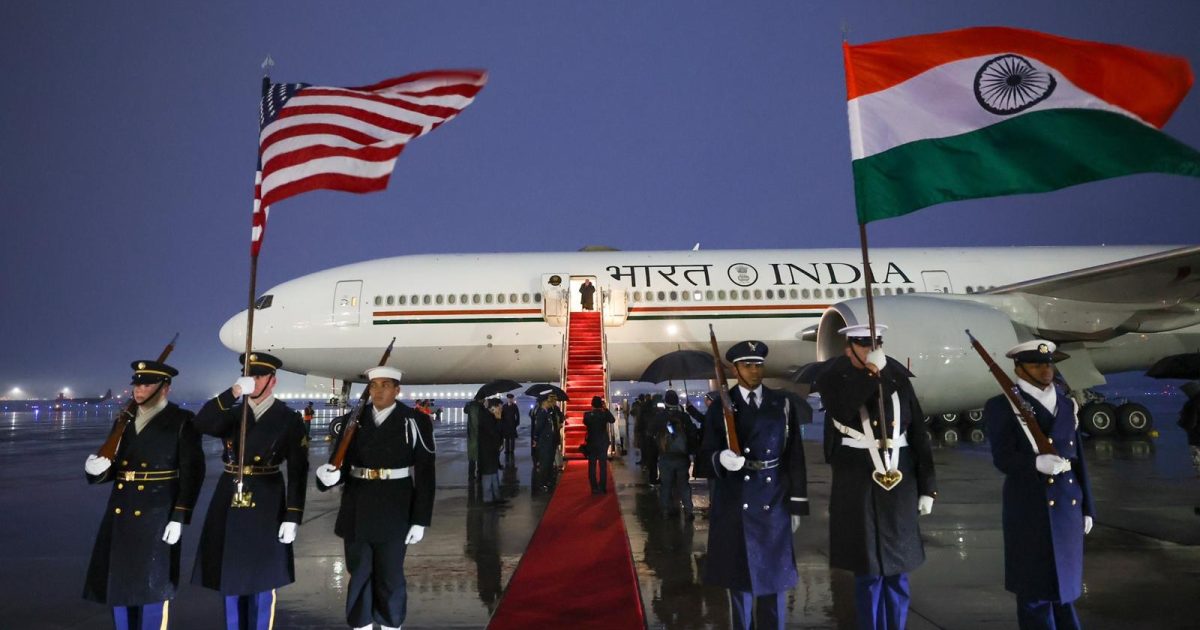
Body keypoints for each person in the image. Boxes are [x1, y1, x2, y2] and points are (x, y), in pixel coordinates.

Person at [816, 324, 936, 630]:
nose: (872, 348)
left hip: (900, 483)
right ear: (849, 348)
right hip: (859, 484)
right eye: (865, 344)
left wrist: (927, 488)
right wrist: (870, 374)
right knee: (868, 573)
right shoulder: (834, 378)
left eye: (877, 343)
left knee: (898, 571)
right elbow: (842, 410)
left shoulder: (896, 376)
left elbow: (918, 433)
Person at [83, 360, 205, 630]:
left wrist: (180, 514)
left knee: (153, 587)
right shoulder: (123, 420)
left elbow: (193, 471)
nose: (139, 390)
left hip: (157, 512)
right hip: (121, 511)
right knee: (119, 585)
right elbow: (113, 464)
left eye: (147, 384)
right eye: (137, 384)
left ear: (165, 388)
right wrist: (96, 471)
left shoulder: (182, 421)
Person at [192, 352, 309, 630]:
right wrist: (233, 392)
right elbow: (202, 423)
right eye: (249, 376)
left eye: (258, 376)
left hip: (267, 497)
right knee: (230, 576)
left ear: (273, 381)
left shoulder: (288, 418)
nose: (252, 381)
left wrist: (293, 515)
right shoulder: (233, 413)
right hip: (230, 495)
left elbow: (298, 470)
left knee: (262, 578)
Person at [984, 340, 1095, 630]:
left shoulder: (1066, 402)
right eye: (1037, 364)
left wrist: (1088, 508)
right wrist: (1034, 464)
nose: (1046, 370)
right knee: (1034, 590)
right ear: (1018, 368)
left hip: (1067, 502)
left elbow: (1078, 457)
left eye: (1048, 364)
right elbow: (1003, 458)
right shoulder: (1001, 406)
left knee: (1066, 589)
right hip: (1029, 505)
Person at [315, 365, 436, 630]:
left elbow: (426, 474)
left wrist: (420, 519)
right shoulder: (353, 421)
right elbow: (339, 465)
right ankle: (361, 625)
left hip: (396, 509)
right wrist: (327, 478)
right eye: (373, 385)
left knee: (390, 577)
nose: (378, 391)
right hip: (357, 507)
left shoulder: (415, 421)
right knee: (358, 573)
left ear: (397, 389)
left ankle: (392, 624)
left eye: (385, 385)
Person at [700, 340, 810, 630]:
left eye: (758, 364)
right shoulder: (720, 407)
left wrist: (797, 504)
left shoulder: (782, 404)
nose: (755, 370)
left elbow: (794, 456)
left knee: (774, 581)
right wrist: (719, 458)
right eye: (748, 365)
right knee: (740, 583)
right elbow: (702, 456)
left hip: (773, 500)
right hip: (735, 501)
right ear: (735, 369)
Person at [655, 390, 698, 519]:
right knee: (684, 484)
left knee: (666, 485)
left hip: (665, 456)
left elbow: (650, 431)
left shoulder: (660, 416)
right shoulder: (683, 417)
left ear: (665, 402)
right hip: (682, 456)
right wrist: (691, 451)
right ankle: (689, 510)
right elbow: (692, 434)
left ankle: (665, 511)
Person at [583, 396, 616, 494]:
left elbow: (585, 423)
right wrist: (605, 409)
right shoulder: (604, 414)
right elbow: (612, 420)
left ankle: (594, 487)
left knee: (592, 466)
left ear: (592, 404)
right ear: (601, 405)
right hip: (603, 442)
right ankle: (602, 487)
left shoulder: (587, 415)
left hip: (592, 443)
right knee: (603, 466)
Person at [532, 393, 562, 491]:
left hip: (550, 442)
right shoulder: (541, 413)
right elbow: (538, 428)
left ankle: (549, 481)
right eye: (548, 401)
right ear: (544, 402)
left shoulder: (547, 412)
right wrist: (535, 439)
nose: (550, 403)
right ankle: (542, 483)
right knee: (545, 464)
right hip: (544, 442)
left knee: (549, 462)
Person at [478, 398, 505, 504]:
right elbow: (494, 432)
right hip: (487, 450)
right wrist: (498, 419)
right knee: (488, 474)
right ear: (493, 408)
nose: (501, 410)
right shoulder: (486, 418)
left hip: (492, 450)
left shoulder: (491, 417)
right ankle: (487, 499)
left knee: (493, 473)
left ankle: (496, 496)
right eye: (499, 407)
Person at [464, 397, 485, 483]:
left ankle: (471, 476)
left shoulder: (470, 407)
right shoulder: (481, 408)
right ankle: (479, 476)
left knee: (472, 458)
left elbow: (465, 410)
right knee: (479, 457)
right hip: (479, 437)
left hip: (471, 437)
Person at [501, 394, 520, 464]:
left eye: (511, 398)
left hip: (512, 424)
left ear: (512, 399)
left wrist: (517, 423)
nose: (510, 400)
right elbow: (502, 415)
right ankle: (507, 450)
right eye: (509, 398)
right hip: (506, 424)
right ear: (507, 399)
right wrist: (502, 423)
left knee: (512, 438)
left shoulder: (515, 406)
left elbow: (517, 415)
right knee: (506, 438)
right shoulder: (504, 406)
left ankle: (512, 450)